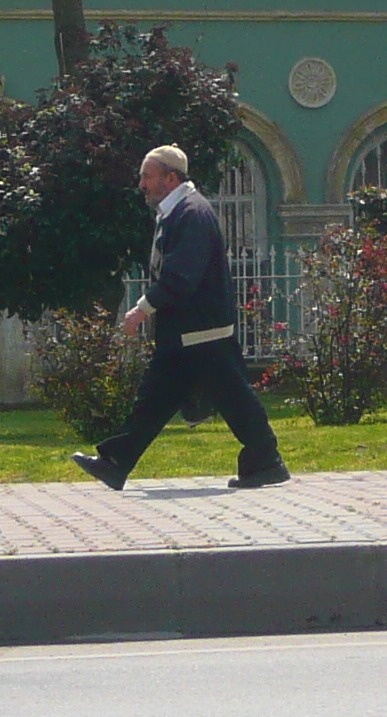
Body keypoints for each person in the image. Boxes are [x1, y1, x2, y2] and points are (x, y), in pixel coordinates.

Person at [72, 145, 290, 493]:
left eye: (148, 176)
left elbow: (180, 276)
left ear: (170, 178)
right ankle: (116, 463)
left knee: (230, 396)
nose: (141, 183)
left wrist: (141, 309)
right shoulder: (178, 212)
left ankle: (266, 460)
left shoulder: (192, 214)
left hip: (201, 331)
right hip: (188, 332)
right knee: (159, 399)